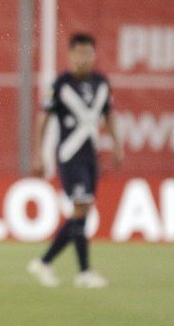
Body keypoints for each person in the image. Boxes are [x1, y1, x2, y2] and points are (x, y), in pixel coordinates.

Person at [28, 33, 124, 288]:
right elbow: (43, 119)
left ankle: (44, 262)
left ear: (94, 55)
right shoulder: (61, 84)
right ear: (70, 55)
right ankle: (83, 272)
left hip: (91, 156)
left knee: (82, 214)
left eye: (88, 53)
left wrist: (116, 145)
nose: (84, 59)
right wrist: (38, 154)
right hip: (69, 156)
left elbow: (109, 115)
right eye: (79, 54)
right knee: (81, 209)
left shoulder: (102, 83)